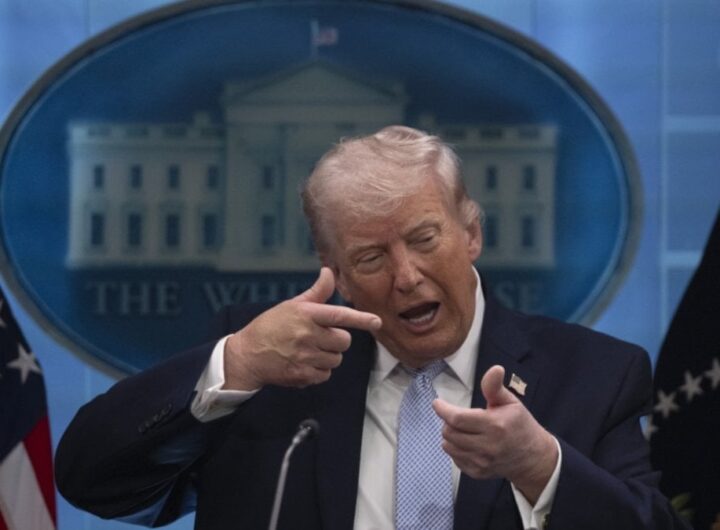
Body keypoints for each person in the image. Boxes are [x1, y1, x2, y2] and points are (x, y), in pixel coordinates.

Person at [56, 126, 688, 529]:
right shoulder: (272, 364)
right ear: (335, 273)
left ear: (471, 232)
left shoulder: (593, 375)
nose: (406, 277)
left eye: (424, 239)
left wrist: (540, 467)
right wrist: (237, 362)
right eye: (370, 258)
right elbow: (92, 482)